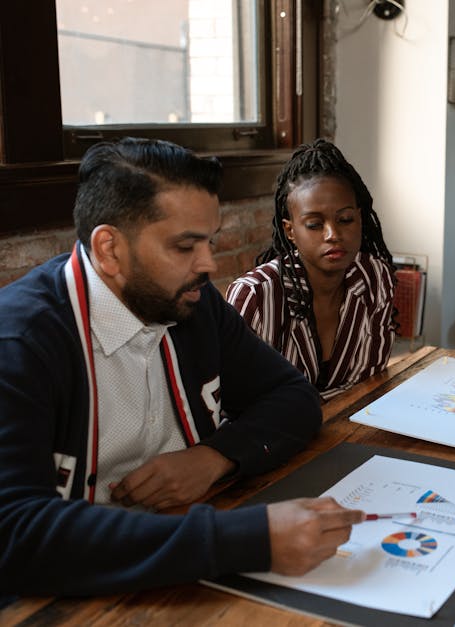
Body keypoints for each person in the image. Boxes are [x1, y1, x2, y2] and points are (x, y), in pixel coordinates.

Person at [0, 138, 364, 604]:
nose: (208, 264)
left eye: (209, 241)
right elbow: (17, 533)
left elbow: (293, 397)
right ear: (109, 249)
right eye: (185, 246)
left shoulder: (193, 301)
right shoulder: (20, 342)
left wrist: (214, 457)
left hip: (185, 562)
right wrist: (246, 538)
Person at [226, 139, 396, 400]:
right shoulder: (256, 296)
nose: (333, 234)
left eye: (345, 219)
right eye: (315, 224)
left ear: (360, 218)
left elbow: (369, 384)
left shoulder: (375, 277)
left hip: (351, 420)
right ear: (290, 231)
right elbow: (238, 402)